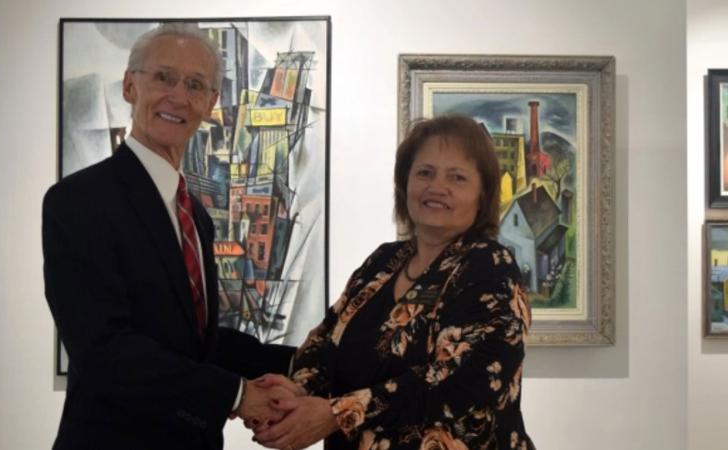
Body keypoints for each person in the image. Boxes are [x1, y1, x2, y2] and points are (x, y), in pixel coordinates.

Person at [42, 24, 296, 450]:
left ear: (211, 103)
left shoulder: (195, 215)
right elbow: (103, 350)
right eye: (163, 77)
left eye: (195, 84)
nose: (178, 96)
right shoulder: (78, 201)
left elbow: (196, 343)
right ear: (129, 86)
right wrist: (238, 394)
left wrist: (306, 359)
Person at [251, 115, 534, 450]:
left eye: (456, 177)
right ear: (405, 183)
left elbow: (467, 380)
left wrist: (339, 412)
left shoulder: (489, 265)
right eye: (425, 172)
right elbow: (325, 345)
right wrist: (294, 395)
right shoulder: (384, 261)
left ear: (482, 195)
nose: (436, 187)